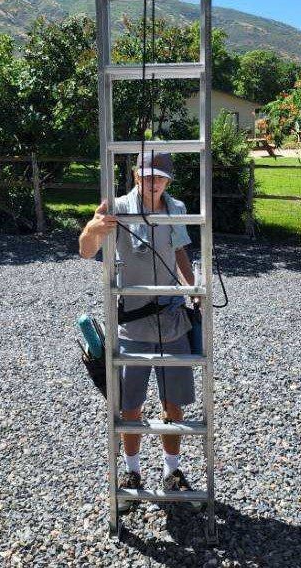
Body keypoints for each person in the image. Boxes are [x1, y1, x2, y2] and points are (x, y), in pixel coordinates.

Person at [79, 151, 198, 500]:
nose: (153, 182)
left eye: (160, 176)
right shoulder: (115, 207)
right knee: (129, 405)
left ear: (168, 180)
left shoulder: (175, 208)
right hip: (131, 323)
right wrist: (92, 228)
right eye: (147, 175)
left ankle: (171, 472)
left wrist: (194, 290)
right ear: (135, 175)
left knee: (173, 401)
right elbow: (86, 250)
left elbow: (180, 252)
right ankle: (131, 474)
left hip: (173, 319)